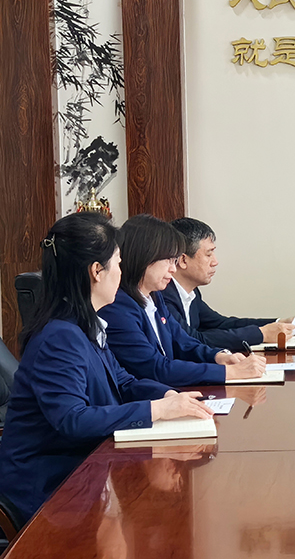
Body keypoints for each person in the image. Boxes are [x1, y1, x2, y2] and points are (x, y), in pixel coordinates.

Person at [0, 213, 214, 521]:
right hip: (49, 487)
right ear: (97, 271)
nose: (122, 273)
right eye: (118, 263)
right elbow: (73, 419)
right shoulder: (60, 337)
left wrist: (168, 396)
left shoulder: (85, 325)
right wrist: (157, 410)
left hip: (83, 471)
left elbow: (124, 383)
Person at [100, 215, 266, 386]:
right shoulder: (117, 308)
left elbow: (183, 342)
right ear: (144, 258)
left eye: (175, 261)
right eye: (168, 260)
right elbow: (155, 368)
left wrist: (219, 357)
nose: (173, 269)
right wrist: (228, 372)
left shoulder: (154, 297)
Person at [161, 217, 295, 352]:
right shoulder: (164, 296)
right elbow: (192, 339)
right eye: (209, 254)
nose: (215, 262)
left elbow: (221, 323)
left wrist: (279, 324)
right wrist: (262, 334)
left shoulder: (191, 292)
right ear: (183, 260)